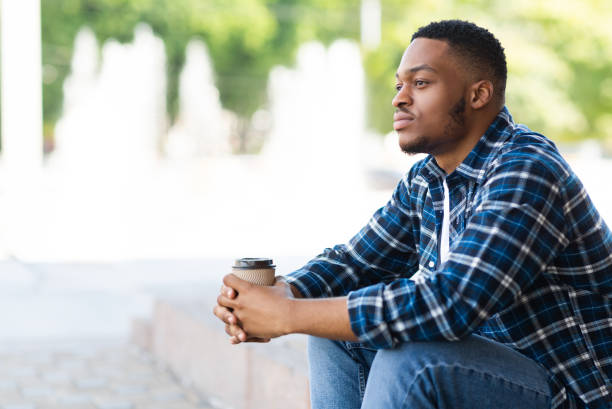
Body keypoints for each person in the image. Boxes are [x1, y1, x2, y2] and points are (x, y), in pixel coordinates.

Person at [213, 20, 611, 409]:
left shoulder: (526, 169)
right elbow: (356, 262)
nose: (400, 98)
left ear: (478, 95)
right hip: (492, 372)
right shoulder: (428, 180)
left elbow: (452, 303)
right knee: (335, 332)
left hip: (573, 391)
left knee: (411, 360)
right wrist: (283, 294)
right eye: (399, 85)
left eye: (420, 83)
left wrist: (289, 315)